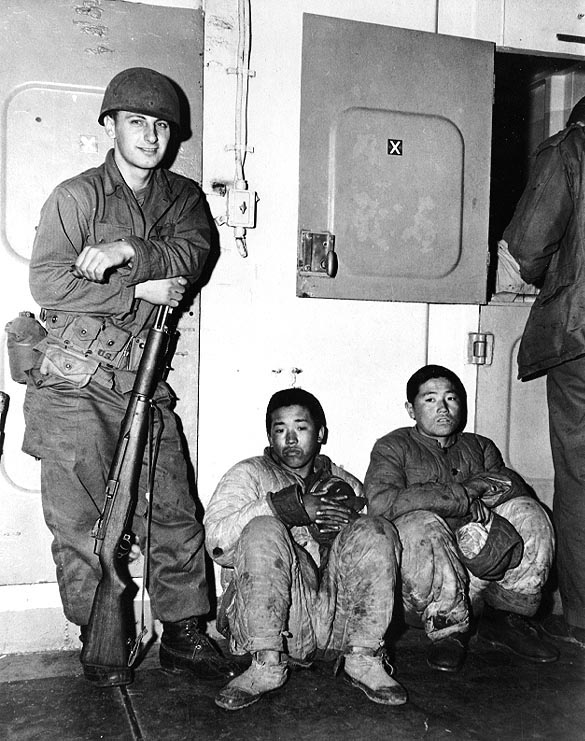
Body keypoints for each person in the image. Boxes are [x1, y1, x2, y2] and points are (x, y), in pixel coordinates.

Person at [22, 67, 236, 686]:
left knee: (173, 506)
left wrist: (123, 253)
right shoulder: (76, 196)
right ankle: (99, 630)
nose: (150, 135)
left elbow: (193, 254)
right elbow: (49, 283)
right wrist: (137, 286)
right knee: (79, 519)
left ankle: (185, 629)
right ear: (111, 126)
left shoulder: (183, 198)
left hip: (141, 381)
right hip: (73, 378)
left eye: (162, 125)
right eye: (137, 121)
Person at [203, 387, 407, 711]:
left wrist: (344, 530)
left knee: (376, 528)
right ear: (270, 436)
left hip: (339, 624)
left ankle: (365, 658)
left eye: (300, 427)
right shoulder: (248, 474)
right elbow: (216, 542)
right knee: (262, 526)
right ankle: (266, 665)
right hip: (281, 623)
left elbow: (380, 555)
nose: (291, 439)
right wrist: (286, 507)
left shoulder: (346, 482)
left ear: (321, 433)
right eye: (279, 430)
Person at [363, 364, 558, 672]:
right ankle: (448, 632)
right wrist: (461, 496)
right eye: (430, 399)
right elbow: (381, 504)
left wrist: (480, 498)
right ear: (410, 409)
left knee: (530, 512)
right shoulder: (393, 447)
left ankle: (508, 617)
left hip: (480, 573)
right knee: (420, 522)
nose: (443, 408)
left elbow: (511, 486)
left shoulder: (479, 446)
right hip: (422, 583)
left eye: (451, 398)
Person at [502, 97, 585, 648]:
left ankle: (582, 617)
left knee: (581, 477)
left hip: (581, 340)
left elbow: (526, 250)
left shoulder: (570, 151)